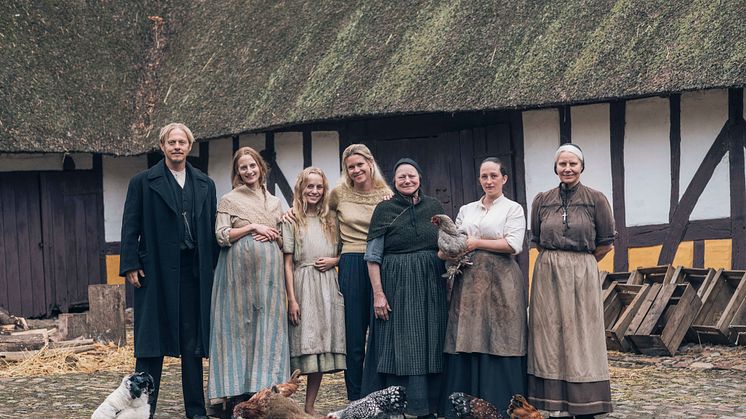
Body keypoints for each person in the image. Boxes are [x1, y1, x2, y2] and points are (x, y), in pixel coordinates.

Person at [120, 122, 218, 419]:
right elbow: (130, 225)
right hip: (156, 272)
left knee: (192, 345)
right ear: (162, 146)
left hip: (193, 273)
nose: (177, 147)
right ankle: (142, 412)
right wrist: (130, 264)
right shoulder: (143, 181)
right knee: (151, 345)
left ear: (190, 146)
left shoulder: (205, 183)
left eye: (182, 142)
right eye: (171, 142)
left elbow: (212, 230)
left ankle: (196, 412)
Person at [527, 143, 615, 418]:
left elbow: (606, 243)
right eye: (562, 164)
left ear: (581, 167)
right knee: (549, 333)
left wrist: (580, 266)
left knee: (582, 333)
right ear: (555, 168)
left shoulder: (596, 199)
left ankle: (585, 403)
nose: (567, 168)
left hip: (582, 271)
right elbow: (538, 241)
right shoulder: (542, 200)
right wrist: (557, 262)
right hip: (548, 272)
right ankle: (553, 401)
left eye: (572, 164)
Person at [441, 157, 528, 416]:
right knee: (468, 334)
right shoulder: (467, 209)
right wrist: (449, 249)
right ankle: (463, 405)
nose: (488, 181)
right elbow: (455, 239)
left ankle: (501, 403)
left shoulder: (513, 209)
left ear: (504, 178)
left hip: (503, 280)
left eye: (493, 176)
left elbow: (513, 244)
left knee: (501, 335)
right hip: (469, 281)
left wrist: (476, 242)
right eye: (484, 176)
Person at [362, 158, 448, 418]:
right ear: (394, 181)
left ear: (419, 178)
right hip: (396, 286)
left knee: (431, 341)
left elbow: (445, 243)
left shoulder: (434, 206)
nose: (407, 181)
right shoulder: (384, 209)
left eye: (411, 176)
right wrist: (378, 294)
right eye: (401, 177)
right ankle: (399, 405)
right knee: (400, 343)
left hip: (431, 286)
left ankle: (430, 405)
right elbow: (373, 256)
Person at [207, 147, 289, 412]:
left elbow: (286, 238)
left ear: (260, 168)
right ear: (237, 172)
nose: (249, 171)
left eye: (252, 166)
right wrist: (252, 227)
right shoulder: (229, 200)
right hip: (236, 278)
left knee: (268, 331)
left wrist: (278, 232)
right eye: (243, 167)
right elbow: (221, 235)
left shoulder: (275, 202)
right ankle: (234, 396)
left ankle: (265, 393)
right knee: (237, 331)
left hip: (270, 280)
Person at [329, 144, 392, 401]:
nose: (356, 170)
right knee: (354, 335)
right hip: (352, 262)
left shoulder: (386, 194)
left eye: (359, 165)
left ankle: (378, 395)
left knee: (381, 333)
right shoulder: (338, 194)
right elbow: (317, 216)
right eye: (350, 167)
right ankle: (355, 396)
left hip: (381, 263)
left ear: (370, 163)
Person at [281, 167, 346, 415]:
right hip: (302, 283)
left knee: (319, 346)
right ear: (301, 188)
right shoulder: (291, 219)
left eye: (319, 187)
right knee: (300, 344)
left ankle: (309, 406)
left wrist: (334, 261)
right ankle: (286, 405)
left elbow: (345, 252)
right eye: (310, 186)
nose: (315, 191)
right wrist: (291, 299)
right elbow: (287, 262)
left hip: (328, 286)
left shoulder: (332, 220)